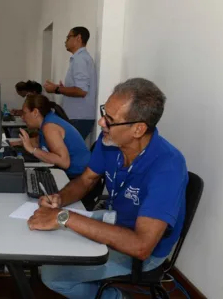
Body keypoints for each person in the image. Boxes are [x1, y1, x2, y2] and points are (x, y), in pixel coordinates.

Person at [29, 78, 187, 299]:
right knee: (45, 248)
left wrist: (64, 217)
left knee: (52, 275)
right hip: (115, 220)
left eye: (110, 120)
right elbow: (86, 180)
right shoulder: (110, 143)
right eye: (105, 112)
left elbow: (141, 245)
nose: (101, 123)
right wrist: (59, 199)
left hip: (143, 250)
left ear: (138, 129)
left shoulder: (167, 166)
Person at [15, 94, 88, 178]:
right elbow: (36, 141)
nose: (22, 117)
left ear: (35, 112)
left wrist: (32, 150)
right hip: (76, 174)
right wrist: (14, 143)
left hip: (80, 177)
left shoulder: (49, 127)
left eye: (24, 113)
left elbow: (64, 162)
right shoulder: (47, 120)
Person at [44, 26, 97, 140]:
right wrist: (61, 88)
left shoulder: (80, 59)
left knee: (67, 154)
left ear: (78, 38)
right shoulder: (79, 58)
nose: (65, 41)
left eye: (68, 37)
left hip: (78, 117)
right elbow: (78, 88)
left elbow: (81, 91)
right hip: (77, 116)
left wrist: (56, 89)